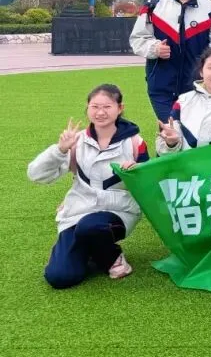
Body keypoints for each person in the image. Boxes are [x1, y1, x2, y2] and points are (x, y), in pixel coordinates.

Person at [27, 84, 149, 288]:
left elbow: (149, 181)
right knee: (59, 277)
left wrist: (136, 172)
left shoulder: (134, 142)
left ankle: (112, 257)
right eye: (95, 107)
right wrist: (59, 150)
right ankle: (90, 251)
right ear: (88, 108)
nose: (100, 113)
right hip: (78, 212)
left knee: (91, 226)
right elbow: (36, 174)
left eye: (107, 107)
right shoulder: (77, 142)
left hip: (118, 212)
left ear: (120, 108)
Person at [129, 0, 211, 122]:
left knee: (193, 131)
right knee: (170, 129)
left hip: (198, 86)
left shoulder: (209, 8)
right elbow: (137, 38)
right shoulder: (154, 5)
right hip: (161, 86)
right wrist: (155, 48)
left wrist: (209, 71)